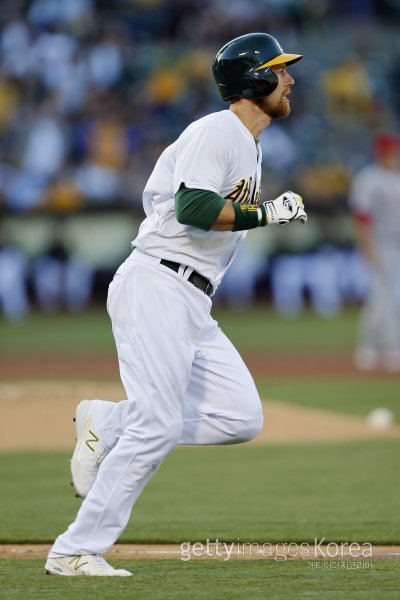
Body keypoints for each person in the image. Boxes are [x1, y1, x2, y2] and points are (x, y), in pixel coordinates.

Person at [45, 32, 307, 577]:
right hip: (158, 283)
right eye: (280, 70)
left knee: (240, 417)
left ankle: (110, 422)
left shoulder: (248, 144)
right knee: (159, 426)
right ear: (254, 78)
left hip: (191, 298)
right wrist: (267, 214)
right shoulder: (218, 131)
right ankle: (74, 550)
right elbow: (193, 208)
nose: (289, 80)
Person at [350, 132, 400, 372]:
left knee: (383, 296)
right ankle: (383, 348)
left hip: (395, 243)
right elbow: (362, 216)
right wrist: (367, 246)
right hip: (379, 242)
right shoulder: (369, 178)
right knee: (382, 296)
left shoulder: (395, 178)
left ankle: (372, 348)